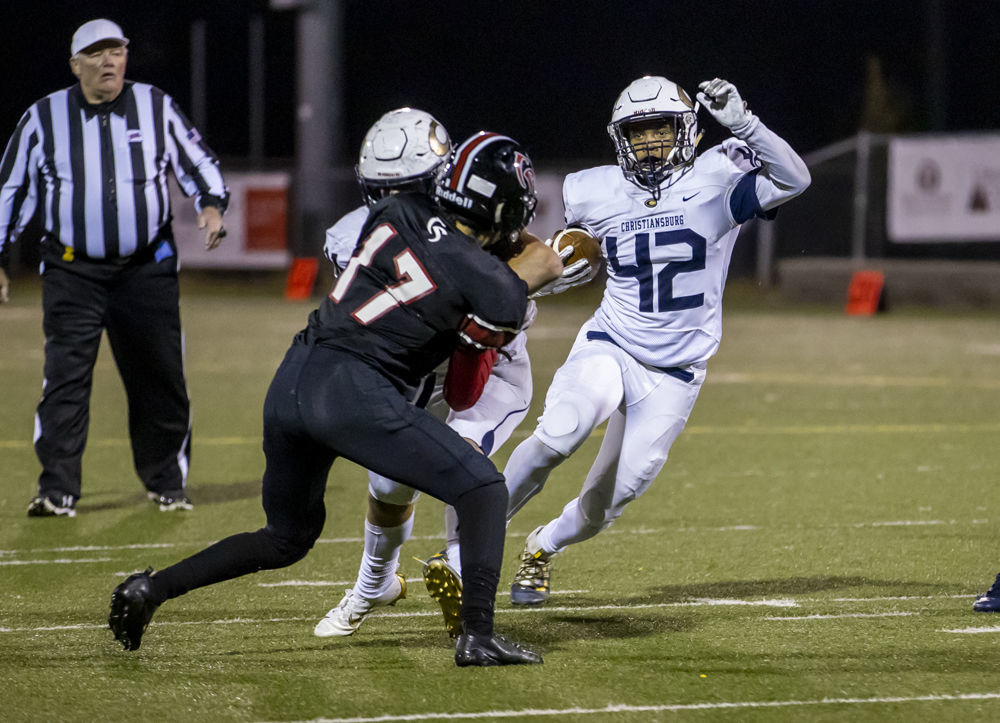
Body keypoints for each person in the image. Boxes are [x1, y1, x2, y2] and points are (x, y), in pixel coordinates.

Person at [108, 131, 550, 667]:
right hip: (354, 392)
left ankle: (149, 590)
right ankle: (477, 637)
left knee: (284, 538)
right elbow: (461, 390)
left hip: (293, 376)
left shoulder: (396, 208)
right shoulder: (496, 288)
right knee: (482, 489)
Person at [499, 75, 811, 605]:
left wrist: (744, 124)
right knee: (560, 434)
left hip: (676, 374)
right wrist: (553, 269)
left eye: (660, 130)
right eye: (637, 133)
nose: (648, 144)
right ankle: (463, 549)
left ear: (687, 130)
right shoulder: (594, 190)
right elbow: (538, 249)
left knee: (608, 501)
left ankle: (542, 546)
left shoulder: (720, 174)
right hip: (612, 343)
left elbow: (795, 178)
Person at [313, 113, 570, 638]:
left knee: (462, 461)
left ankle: (460, 575)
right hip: (416, 375)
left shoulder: (470, 217)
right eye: (385, 189)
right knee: (388, 485)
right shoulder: (352, 235)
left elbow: (541, 255)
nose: (397, 199)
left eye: (408, 187)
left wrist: (489, 298)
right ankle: (373, 584)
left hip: (488, 371)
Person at [0, 19, 229, 517]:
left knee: (160, 376)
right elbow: (11, 189)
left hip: (146, 269)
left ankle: (167, 481)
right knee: (64, 379)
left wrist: (211, 205)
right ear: (75, 63)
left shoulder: (155, 105)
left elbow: (198, 162)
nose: (109, 60)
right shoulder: (43, 118)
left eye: (117, 50)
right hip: (71, 271)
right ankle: (57, 489)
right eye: (96, 52)